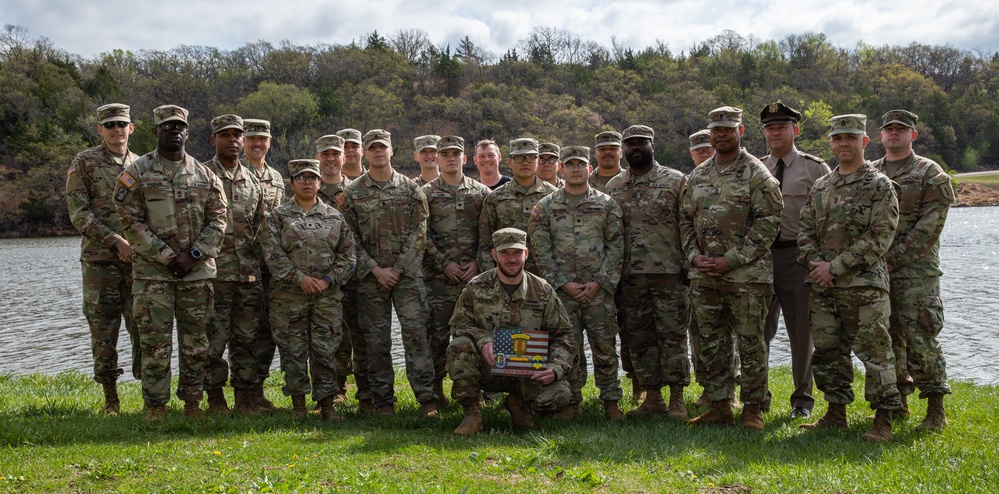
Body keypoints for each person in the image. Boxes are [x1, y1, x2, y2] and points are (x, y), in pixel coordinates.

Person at [112, 104, 227, 421]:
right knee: (154, 344)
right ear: (156, 132)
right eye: (167, 127)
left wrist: (193, 255)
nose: (174, 132)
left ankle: (192, 403)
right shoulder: (137, 173)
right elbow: (129, 220)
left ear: (187, 133)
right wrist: (165, 255)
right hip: (153, 275)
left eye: (179, 127)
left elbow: (219, 221)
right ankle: (155, 405)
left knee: (197, 344)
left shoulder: (205, 175)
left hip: (196, 274)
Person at [798, 114, 902, 442]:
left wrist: (836, 267)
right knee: (828, 350)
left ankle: (884, 418)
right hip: (823, 286)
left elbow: (880, 236)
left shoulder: (879, 184)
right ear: (830, 143)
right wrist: (817, 266)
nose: (844, 143)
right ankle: (835, 412)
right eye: (838, 138)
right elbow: (804, 231)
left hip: (863, 285)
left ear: (864, 142)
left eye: (851, 137)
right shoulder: (821, 186)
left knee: (875, 351)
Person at [680, 107, 783, 431]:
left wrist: (733, 259)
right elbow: (684, 220)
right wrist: (694, 256)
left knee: (751, 342)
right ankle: (719, 404)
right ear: (710, 135)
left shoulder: (757, 174)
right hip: (705, 275)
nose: (722, 135)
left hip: (746, 277)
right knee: (712, 342)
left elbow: (769, 223)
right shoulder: (697, 175)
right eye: (716, 130)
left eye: (728, 129)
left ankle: (753, 409)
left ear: (740, 132)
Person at [337, 129, 439, 417]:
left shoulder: (410, 189)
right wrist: (375, 270)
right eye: (372, 148)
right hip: (370, 280)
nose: (378, 152)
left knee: (417, 338)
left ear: (392, 151)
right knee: (375, 342)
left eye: (383, 147)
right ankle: (382, 402)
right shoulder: (352, 193)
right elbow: (349, 238)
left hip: (406, 278)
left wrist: (396, 269)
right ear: (364, 153)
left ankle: (427, 400)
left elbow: (419, 234)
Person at [447, 228, 576, 435]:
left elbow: (564, 335)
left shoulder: (542, 290)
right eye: (505, 253)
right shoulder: (476, 287)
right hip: (488, 367)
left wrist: (555, 368)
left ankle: (519, 405)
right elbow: (458, 325)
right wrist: (483, 339)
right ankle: (472, 414)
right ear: (494, 255)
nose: (511, 259)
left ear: (526, 254)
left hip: (528, 372)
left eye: (516, 253)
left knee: (559, 394)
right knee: (459, 347)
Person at [872, 109, 954, 431]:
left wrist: (891, 258)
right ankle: (899, 401)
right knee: (887, 337)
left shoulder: (930, 174)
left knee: (922, 337)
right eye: (889, 129)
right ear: (880, 135)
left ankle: (936, 410)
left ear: (913, 135)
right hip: (877, 271)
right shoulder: (872, 172)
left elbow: (928, 228)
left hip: (917, 273)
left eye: (901, 129)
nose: (894, 133)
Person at [529, 145, 624, 420]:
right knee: (569, 348)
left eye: (581, 165)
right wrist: (561, 283)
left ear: (589, 169)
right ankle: (573, 401)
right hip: (563, 293)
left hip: (599, 292)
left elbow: (616, 246)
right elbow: (540, 250)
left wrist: (599, 282)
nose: (575, 169)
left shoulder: (606, 204)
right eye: (569, 165)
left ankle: (611, 400)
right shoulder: (546, 206)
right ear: (561, 169)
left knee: (605, 347)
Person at [606, 125, 692, 421]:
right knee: (639, 338)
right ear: (624, 150)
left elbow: (688, 225)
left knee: (673, 337)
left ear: (652, 145)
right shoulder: (615, 186)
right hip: (630, 276)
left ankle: (678, 399)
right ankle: (652, 397)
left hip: (669, 273)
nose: (635, 148)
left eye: (641, 143)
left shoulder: (675, 181)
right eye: (630, 145)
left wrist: (687, 265)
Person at [261, 159, 356, 421]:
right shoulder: (278, 217)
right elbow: (271, 253)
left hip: (326, 297)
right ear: (291, 183)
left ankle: (327, 405)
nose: (307, 182)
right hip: (289, 297)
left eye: (312, 178)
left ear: (319, 182)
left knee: (325, 350)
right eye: (301, 178)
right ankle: (299, 406)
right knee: (293, 351)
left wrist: (327, 280)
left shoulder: (335, 217)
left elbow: (349, 257)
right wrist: (299, 278)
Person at [66, 103, 141, 415]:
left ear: (131, 128)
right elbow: (77, 211)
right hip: (100, 262)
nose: (116, 129)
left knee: (144, 327)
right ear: (100, 129)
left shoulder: (142, 164)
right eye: (109, 125)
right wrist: (114, 240)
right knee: (103, 330)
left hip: (138, 262)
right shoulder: (84, 162)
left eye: (121, 124)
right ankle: (111, 400)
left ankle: (152, 396)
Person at [759, 102, 831, 419]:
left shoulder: (815, 168)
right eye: (770, 128)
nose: (775, 133)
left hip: (797, 257)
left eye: (782, 127)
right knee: (756, 332)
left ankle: (802, 402)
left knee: (801, 334)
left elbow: (829, 218)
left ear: (795, 130)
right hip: (759, 258)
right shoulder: (754, 167)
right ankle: (756, 399)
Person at [201, 115, 267, 416]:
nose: (232, 140)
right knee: (213, 340)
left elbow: (263, 228)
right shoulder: (200, 175)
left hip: (248, 275)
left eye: (236, 135)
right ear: (213, 139)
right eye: (224, 135)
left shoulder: (253, 180)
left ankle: (244, 399)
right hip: (214, 274)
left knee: (247, 340)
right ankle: (215, 400)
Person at [420, 136, 492, 408]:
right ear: (437, 159)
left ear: (464, 159)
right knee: (436, 337)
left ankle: (478, 390)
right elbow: (421, 236)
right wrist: (443, 264)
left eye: (456, 154)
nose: (450, 158)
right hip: (439, 280)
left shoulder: (481, 193)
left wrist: (477, 263)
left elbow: (487, 236)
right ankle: (435, 391)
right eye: (445, 153)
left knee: (477, 334)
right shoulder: (425, 193)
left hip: (474, 281)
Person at [241, 118, 285, 411]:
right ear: (243, 142)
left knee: (267, 332)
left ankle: (257, 391)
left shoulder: (277, 178)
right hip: (239, 266)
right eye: (252, 138)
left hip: (270, 269)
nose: (257, 144)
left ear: (269, 142)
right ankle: (239, 395)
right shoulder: (230, 172)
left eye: (263, 139)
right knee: (241, 333)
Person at [313, 134, 359, 404]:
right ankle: (327, 390)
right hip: (315, 275)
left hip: (350, 273)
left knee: (349, 334)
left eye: (335, 154)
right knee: (322, 335)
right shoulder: (304, 186)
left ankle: (344, 386)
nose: (330, 159)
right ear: (318, 157)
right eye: (325, 154)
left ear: (345, 157)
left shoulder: (355, 190)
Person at [478, 138, 557, 273]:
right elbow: (485, 245)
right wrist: (493, 279)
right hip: (506, 276)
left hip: (546, 278)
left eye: (531, 157)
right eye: (519, 158)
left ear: (537, 161)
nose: (525, 162)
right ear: (509, 162)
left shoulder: (554, 196)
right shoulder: (495, 198)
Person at [685, 128, 717, 407]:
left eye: (709, 148)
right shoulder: (692, 181)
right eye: (699, 150)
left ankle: (732, 392)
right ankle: (708, 389)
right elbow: (684, 224)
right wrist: (694, 256)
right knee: (700, 333)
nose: (705, 153)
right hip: (697, 270)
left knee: (731, 335)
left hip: (735, 268)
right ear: (692, 154)